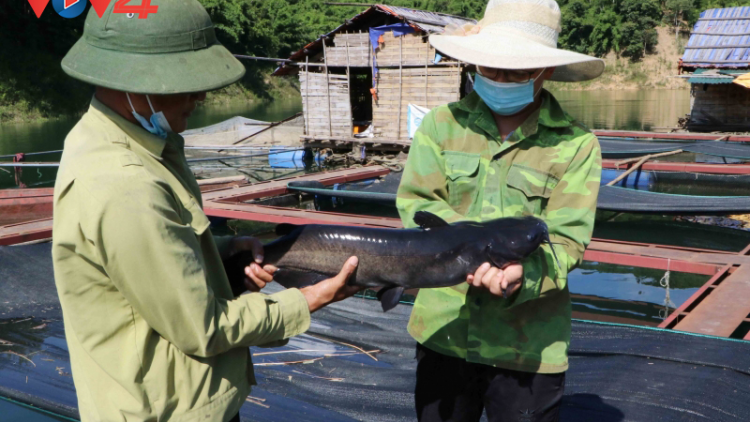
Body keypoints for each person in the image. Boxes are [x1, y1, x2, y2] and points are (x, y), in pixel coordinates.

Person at [52, 1, 359, 421]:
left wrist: (223, 249)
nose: (200, 94)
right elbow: (204, 328)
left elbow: (150, 252)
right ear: (131, 82)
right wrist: (305, 301)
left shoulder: (124, 138)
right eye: (186, 82)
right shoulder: (125, 185)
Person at [396, 0, 604, 421]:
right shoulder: (440, 125)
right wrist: (471, 251)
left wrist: (518, 275)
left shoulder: (577, 145)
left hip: (528, 345)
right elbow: (417, 203)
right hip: (445, 328)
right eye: (491, 68)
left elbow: (566, 239)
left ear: (545, 71)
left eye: (518, 71)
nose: (501, 79)